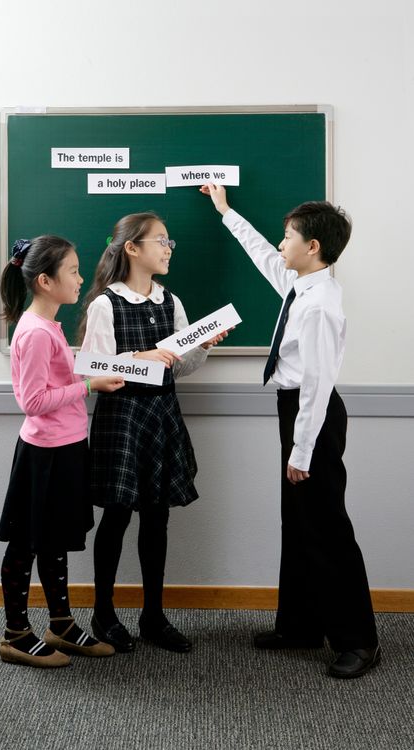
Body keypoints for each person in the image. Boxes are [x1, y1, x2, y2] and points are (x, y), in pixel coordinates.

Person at [201, 184, 380, 679]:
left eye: (288, 237)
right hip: (295, 411)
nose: (281, 244)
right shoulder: (302, 284)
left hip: (313, 416)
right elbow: (262, 255)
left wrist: (302, 451)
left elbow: (319, 384)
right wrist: (225, 211)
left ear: (313, 247)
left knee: (327, 528)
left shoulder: (320, 304)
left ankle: (359, 641)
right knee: (298, 523)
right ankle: (300, 625)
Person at [79, 212, 228, 653]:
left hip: (162, 413)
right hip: (123, 419)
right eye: (161, 241)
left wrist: (199, 346)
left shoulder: (171, 302)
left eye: (169, 241)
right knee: (118, 515)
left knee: (157, 516)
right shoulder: (106, 304)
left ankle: (153, 617)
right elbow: (94, 367)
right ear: (132, 248)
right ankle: (103, 614)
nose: (168, 248)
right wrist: (145, 355)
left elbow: (179, 368)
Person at [0, 235, 124, 667]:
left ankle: (61, 624)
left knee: (53, 542)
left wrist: (116, 368)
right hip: (44, 455)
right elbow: (32, 402)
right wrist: (88, 386)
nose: (81, 278)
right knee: (25, 544)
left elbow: (64, 379)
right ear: (46, 281)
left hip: (67, 447)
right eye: (72, 271)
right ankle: (15, 633)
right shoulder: (34, 333)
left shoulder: (49, 326)